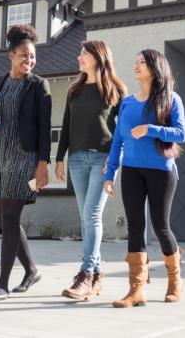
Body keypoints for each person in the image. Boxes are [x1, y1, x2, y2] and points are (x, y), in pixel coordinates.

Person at [103, 49, 185, 308]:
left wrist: (150, 129)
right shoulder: (127, 102)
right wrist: (110, 173)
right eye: (136, 61)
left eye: (142, 62)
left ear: (155, 67)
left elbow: (181, 133)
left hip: (162, 170)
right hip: (131, 171)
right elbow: (118, 140)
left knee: (161, 227)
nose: (136, 65)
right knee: (135, 226)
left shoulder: (171, 99)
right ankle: (136, 289)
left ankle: (175, 280)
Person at [0, 24, 51, 301]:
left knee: (10, 218)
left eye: (32, 56)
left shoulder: (38, 86)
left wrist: (42, 164)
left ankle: (2, 283)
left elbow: (45, 128)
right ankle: (31, 269)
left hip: (24, 157)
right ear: (11, 55)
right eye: (23, 55)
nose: (29, 60)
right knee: (7, 218)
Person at [55, 40, 126, 301]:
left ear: (98, 57)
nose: (79, 57)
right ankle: (96, 276)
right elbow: (66, 125)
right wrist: (59, 158)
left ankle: (85, 275)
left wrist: (115, 160)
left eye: (84, 53)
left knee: (91, 215)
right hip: (76, 159)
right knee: (86, 217)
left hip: (103, 159)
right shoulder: (74, 90)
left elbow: (123, 131)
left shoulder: (115, 89)